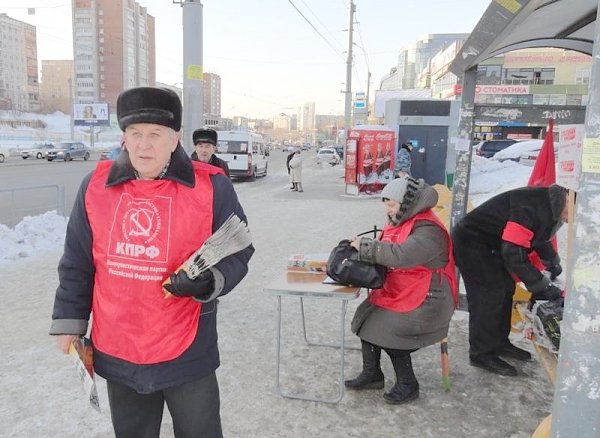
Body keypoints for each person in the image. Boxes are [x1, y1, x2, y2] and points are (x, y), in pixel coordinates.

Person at [49, 86, 254, 437]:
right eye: (135, 133)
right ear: (124, 137)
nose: (144, 144)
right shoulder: (96, 187)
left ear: (174, 139)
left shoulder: (212, 188)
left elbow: (238, 249)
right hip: (118, 341)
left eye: (155, 134)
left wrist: (209, 281)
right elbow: (77, 261)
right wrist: (70, 321)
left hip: (187, 347)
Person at [345, 176, 457, 404]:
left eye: (391, 205)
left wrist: (366, 246)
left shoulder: (429, 230)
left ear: (408, 204)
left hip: (429, 299)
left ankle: (408, 384)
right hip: (403, 290)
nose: (388, 210)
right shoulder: (404, 221)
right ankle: (372, 374)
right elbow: (388, 248)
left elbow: (401, 255)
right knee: (365, 319)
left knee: (389, 330)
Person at [451, 184, 568, 376]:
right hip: (472, 242)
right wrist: (541, 285)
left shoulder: (553, 205)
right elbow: (513, 253)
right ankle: (481, 353)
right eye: (572, 213)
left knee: (506, 289)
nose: (571, 220)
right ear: (568, 199)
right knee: (488, 295)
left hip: (494, 244)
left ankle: (498, 342)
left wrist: (551, 262)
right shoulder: (529, 206)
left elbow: (539, 236)